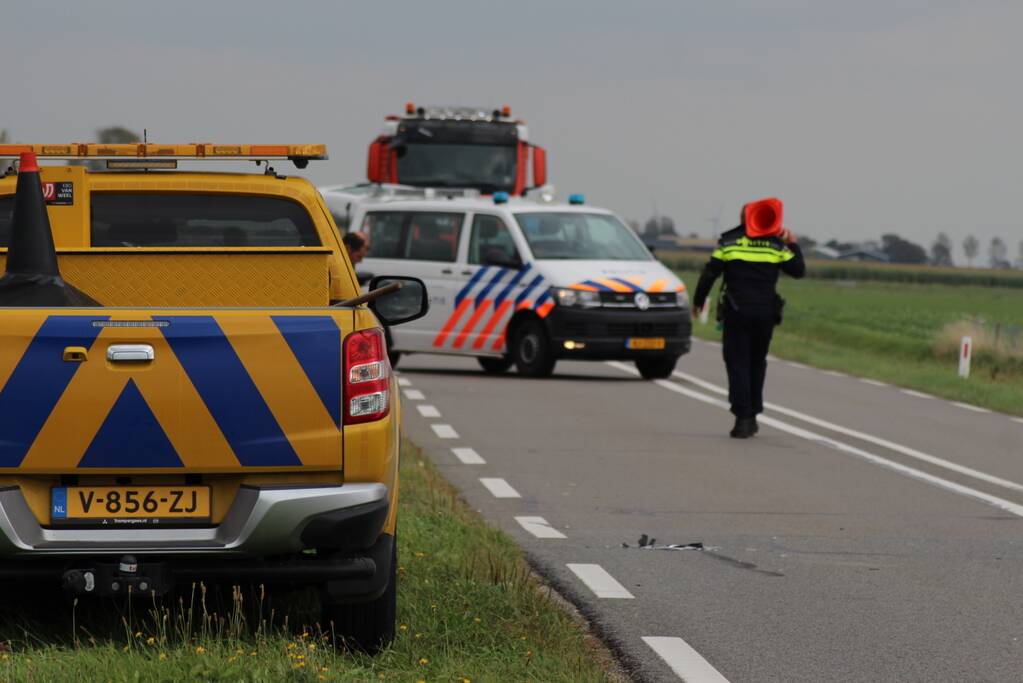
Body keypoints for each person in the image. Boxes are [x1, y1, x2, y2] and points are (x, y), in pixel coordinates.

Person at [691, 198, 805, 438]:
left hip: (737, 312)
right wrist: (792, 243)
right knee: (756, 362)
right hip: (766, 315)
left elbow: (710, 273)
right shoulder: (776, 246)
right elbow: (798, 271)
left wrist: (699, 301)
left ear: (743, 218)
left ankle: (743, 418)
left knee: (737, 363)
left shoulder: (729, 243)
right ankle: (752, 414)